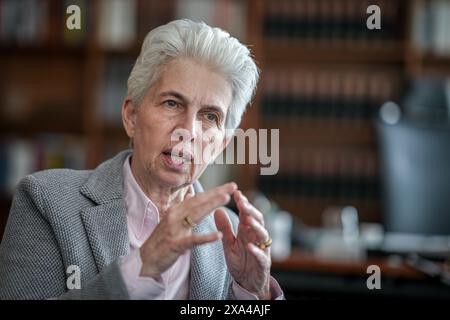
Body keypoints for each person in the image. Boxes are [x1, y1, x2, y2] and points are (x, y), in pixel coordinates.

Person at [0, 19, 283, 300]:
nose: (189, 131)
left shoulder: (231, 233)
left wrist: (252, 293)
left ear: (222, 144)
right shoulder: (46, 200)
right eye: (172, 103)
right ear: (131, 116)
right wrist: (139, 270)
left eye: (210, 116)